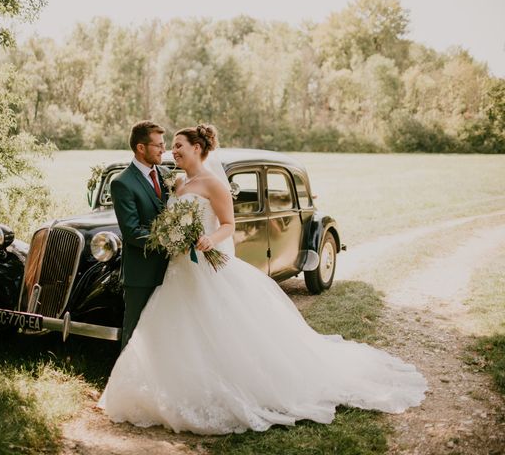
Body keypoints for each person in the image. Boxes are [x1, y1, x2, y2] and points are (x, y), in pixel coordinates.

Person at [98, 124, 427, 435]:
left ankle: (230, 384)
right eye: (168, 147)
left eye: (178, 146)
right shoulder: (179, 184)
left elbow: (228, 224)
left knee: (218, 327)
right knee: (173, 328)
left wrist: (210, 240)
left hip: (206, 264)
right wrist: (175, 237)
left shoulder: (214, 182)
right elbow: (164, 219)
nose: (172, 152)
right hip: (180, 268)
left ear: (197, 148)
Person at [110, 120, 170, 349]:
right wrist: (170, 241)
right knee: (136, 331)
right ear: (141, 148)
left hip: (171, 271)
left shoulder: (166, 174)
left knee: (164, 329)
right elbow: (132, 231)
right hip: (141, 273)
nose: (163, 150)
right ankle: (128, 382)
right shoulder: (122, 183)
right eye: (158, 145)